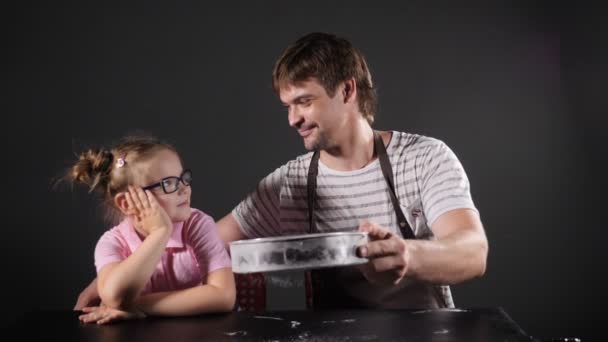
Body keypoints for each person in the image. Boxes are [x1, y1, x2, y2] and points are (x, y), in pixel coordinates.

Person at [75, 32, 488, 310]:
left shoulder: (423, 158)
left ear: (347, 90)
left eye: (304, 102)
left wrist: (407, 255)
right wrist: (109, 286)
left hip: (424, 333)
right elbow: (202, 251)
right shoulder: (288, 185)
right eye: (287, 106)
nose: (293, 119)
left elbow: (472, 252)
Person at [67, 135, 235, 324]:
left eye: (183, 178)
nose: (184, 189)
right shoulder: (112, 242)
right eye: (168, 183)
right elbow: (115, 297)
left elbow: (223, 295)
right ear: (126, 203)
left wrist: (138, 306)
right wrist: (159, 233)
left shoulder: (198, 224)